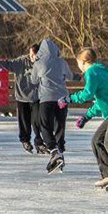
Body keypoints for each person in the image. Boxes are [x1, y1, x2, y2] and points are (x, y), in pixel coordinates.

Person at [61, 48, 108, 192]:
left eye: (78, 64)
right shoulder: (99, 71)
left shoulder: (92, 72)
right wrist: (87, 116)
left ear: (83, 62)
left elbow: (87, 94)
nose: (79, 68)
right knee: (97, 140)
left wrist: (70, 98)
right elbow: (101, 101)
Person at [0, 45, 44, 154]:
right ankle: (25, 140)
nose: (33, 58)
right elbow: (8, 64)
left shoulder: (42, 63)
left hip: (37, 97)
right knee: (24, 121)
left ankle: (39, 142)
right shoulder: (21, 61)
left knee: (38, 121)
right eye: (32, 55)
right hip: (22, 97)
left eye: (36, 56)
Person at [31, 38, 75, 174]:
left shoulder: (39, 63)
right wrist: (79, 77)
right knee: (60, 126)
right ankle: (60, 152)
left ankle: (54, 151)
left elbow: (33, 80)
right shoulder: (61, 62)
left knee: (45, 126)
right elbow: (70, 76)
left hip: (46, 100)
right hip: (62, 98)